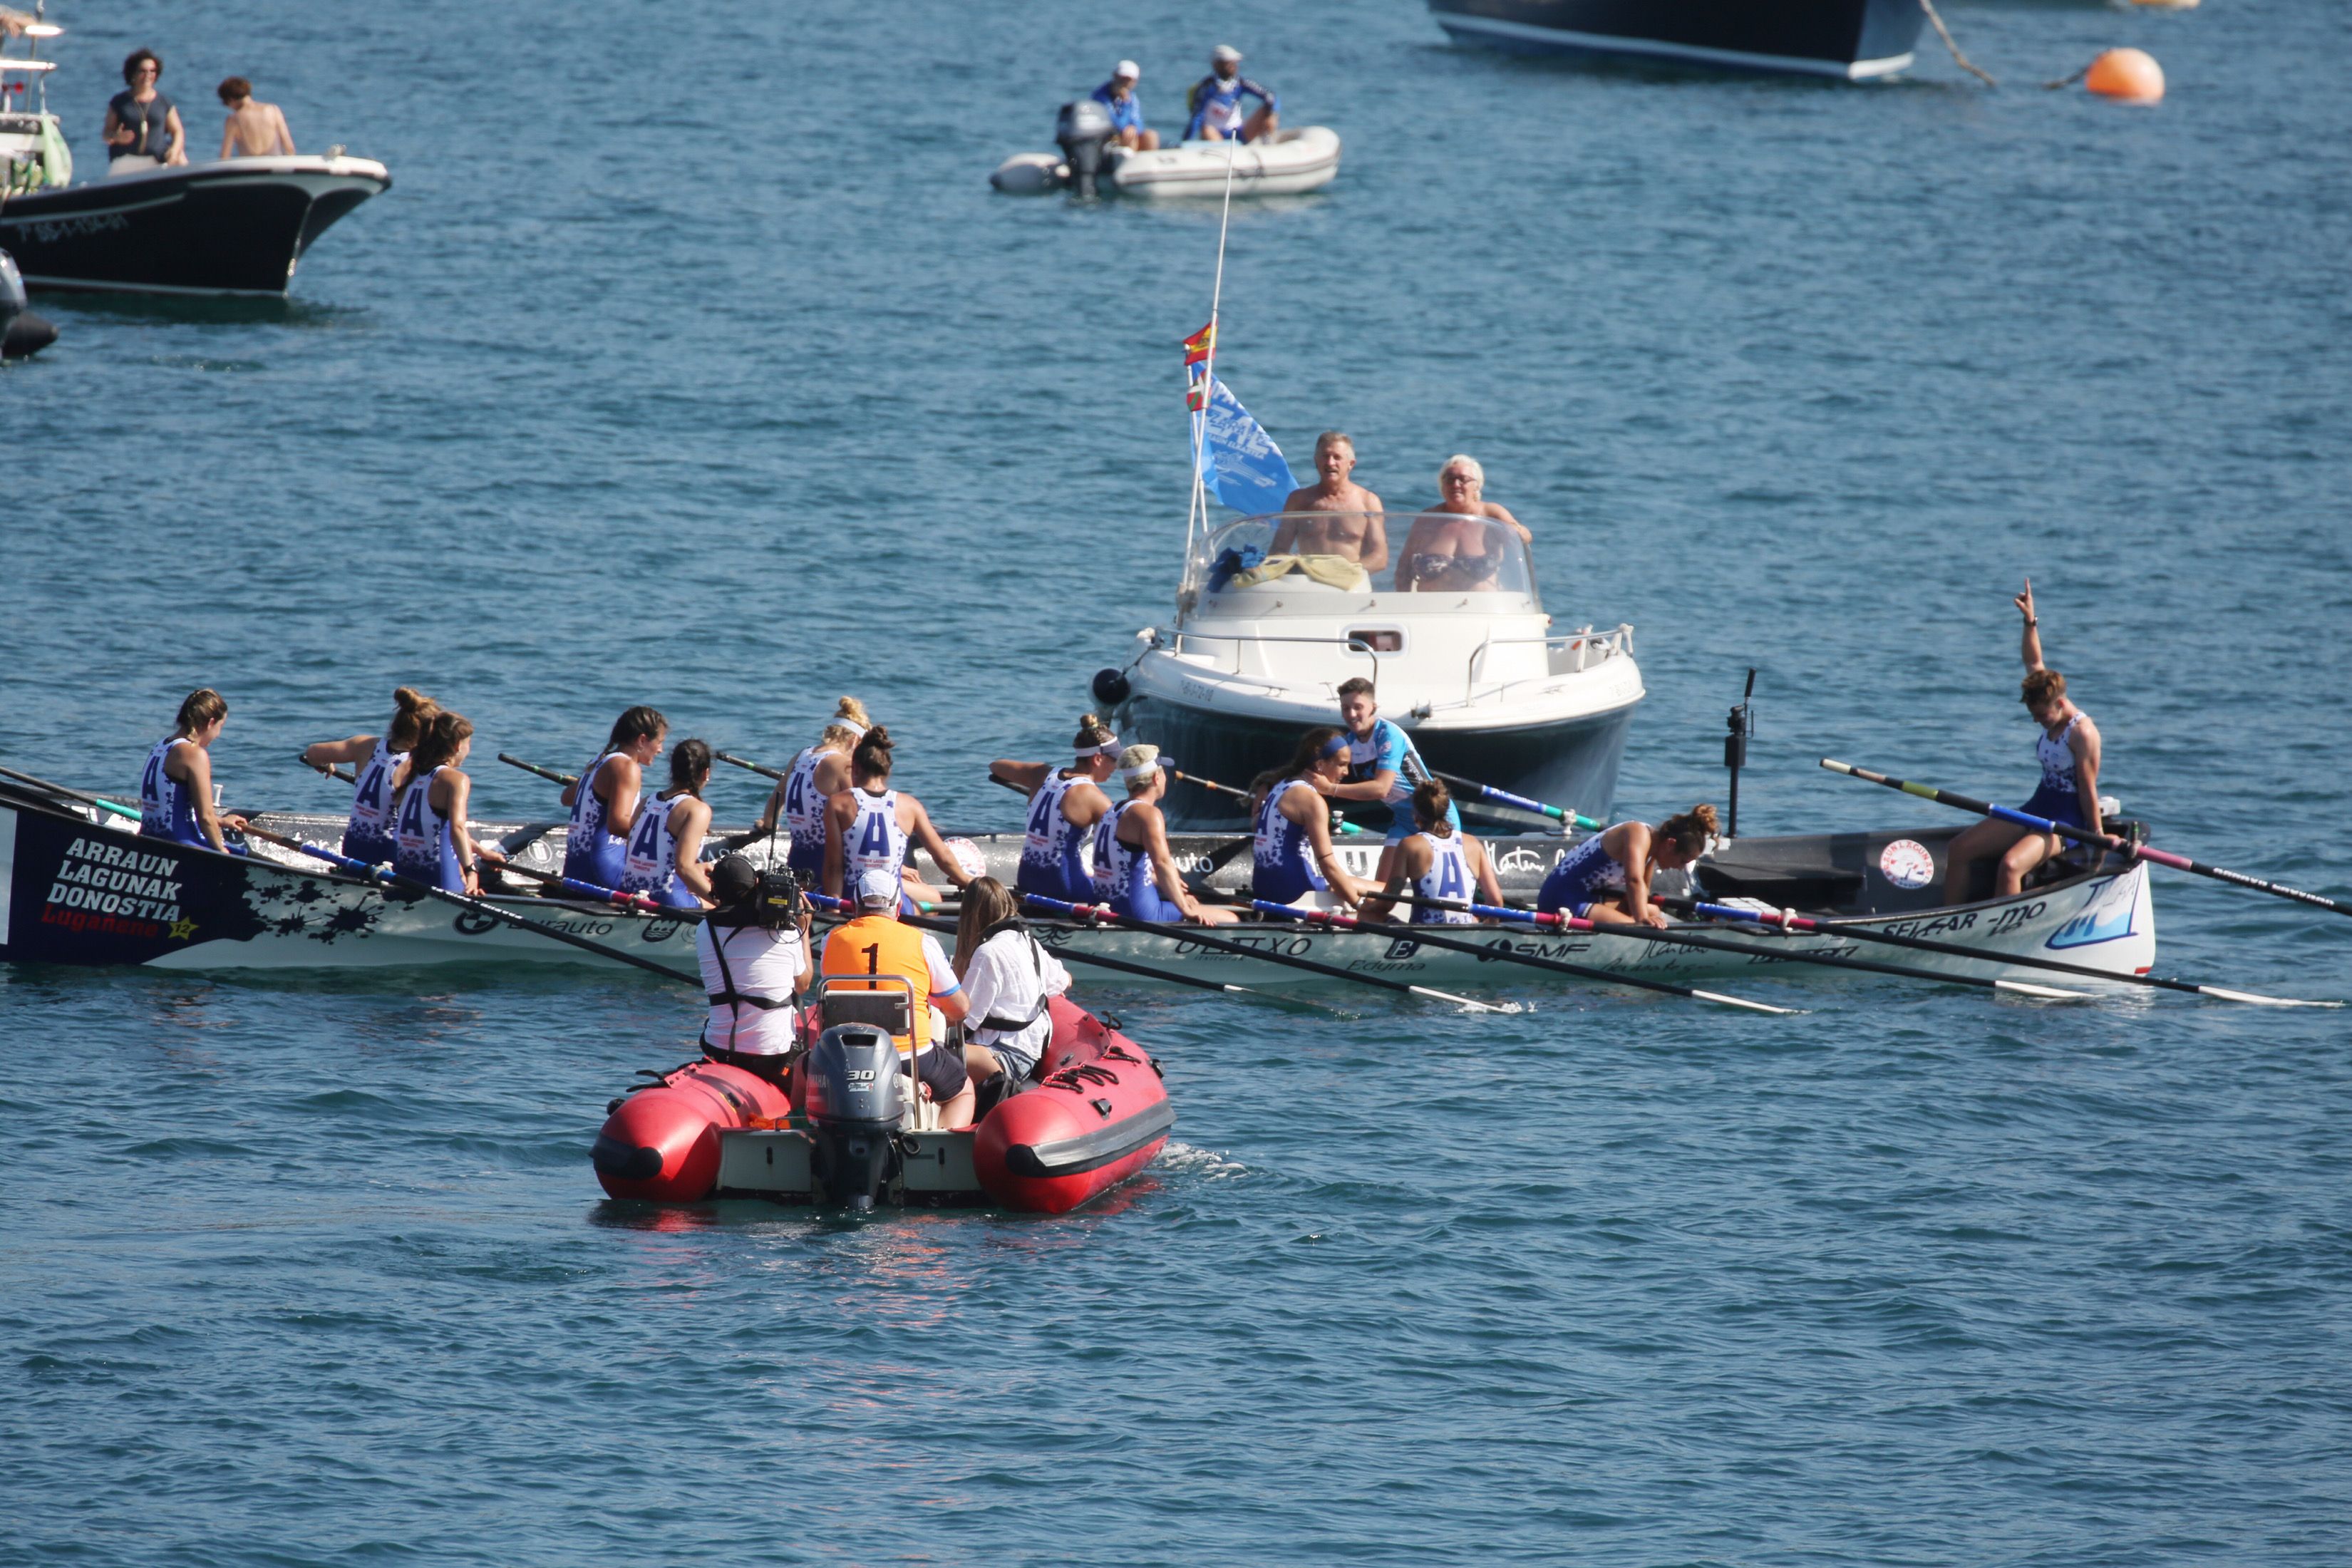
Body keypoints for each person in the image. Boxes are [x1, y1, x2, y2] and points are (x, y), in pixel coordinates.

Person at [1943, 580, 2108, 901]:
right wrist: (2030, 621)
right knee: (1959, 848)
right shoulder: (2048, 696)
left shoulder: (2083, 733)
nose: (2037, 721)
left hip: (2066, 823)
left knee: (2011, 865)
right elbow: (2034, 663)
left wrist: (2097, 837)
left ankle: (2002, 929)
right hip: (2036, 807)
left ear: (2060, 704)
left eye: (2041, 716)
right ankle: (1946, 921)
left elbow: (2088, 791)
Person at [821, 867, 975, 1129]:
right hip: (909, 1057)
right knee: (963, 1091)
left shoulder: (829, 940)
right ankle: (939, 1144)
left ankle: (803, 1130)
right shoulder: (921, 942)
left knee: (804, 1068)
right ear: (899, 905)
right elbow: (959, 1009)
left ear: (855, 904)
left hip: (844, 1053)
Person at [1315, 676, 1457, 884]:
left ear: (1373, 707)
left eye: (1358, 707)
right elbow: (1317, 766)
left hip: (1436, 816)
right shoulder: (1349, 742)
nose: (1351, 715)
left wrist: (1330, 789)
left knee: (1440, 887)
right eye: (1345, 708)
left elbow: (1381, 789)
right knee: (1382, 886)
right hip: (1403, 819)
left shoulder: (1388, 734)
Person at [823, 726, 976, 910]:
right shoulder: (910, 805)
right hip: (895, 906)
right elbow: (941, 855)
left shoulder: (838, 803)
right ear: (888, 771)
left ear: (854, 768)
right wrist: (967, 880)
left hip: (854, 902)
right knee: (930, 907)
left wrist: (835, 910)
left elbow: (834, 867)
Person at [696, 853, 815, 1083]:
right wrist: (804, 929)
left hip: (718, 1048)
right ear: (756, 886)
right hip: (772, 1055)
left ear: (715, 891)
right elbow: (803, 985)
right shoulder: (785, 932)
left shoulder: (705, 928)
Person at [1091, 745, 1239, 924]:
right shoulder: (1149, 814)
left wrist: (1175, 889)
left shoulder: (1111, 810)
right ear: (1156, 778)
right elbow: (1162, 863)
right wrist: (1185, 908)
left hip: (1103, 904)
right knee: (1231, 919)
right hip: (1138, 912)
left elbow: (1125, 867)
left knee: (1186, 901)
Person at [952, 876, 1073, 1095]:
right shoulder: (1028, 942)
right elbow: (1064, 980)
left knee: (922, 1054)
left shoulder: (987, 953)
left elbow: (965, 1019)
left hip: (1003, 1054)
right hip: (1031, 1053)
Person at [301, 686, 440, 864]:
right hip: (393, 855)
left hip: (354, 847)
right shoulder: (421, 765)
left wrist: (325, 763)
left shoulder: (364, 746)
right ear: (428, 735)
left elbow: (312, 754)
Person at [992, 713, 1120, 903]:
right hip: (1065, 887)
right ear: (1098, 759)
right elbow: (1123, 844)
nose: (1116, 767)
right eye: (1114, 759)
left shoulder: (1041, 773)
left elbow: (995, 766)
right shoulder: (1095, 798)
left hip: (1027, 881)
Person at [744, 696, 871, 876]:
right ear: (854, 740)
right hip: (831, 870)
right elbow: (865, 821)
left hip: (796, 864)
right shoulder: (843, 766)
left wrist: (768, 826)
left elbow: (775, 801)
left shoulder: (801, 756)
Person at [1536, 805, 1718, 928]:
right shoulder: (1637, 833)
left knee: (1653, 910)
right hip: (1562, 899)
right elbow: (1634, 881)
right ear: (1670, 844)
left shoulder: (1653, 850)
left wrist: (1646, 915)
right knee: (1639, 923)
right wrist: (1642, 922)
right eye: (1683, 861)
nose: (1680, 868)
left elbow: (1643, 896)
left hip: (1587, 896)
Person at [1254, 728, 1370, 908]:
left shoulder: (1278, 784)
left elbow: (1258, 827)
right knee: (1382, 890)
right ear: (1320, 764)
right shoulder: (1313, 801)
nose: (1346, 772)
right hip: (1297, 891)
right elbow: (1329, 867)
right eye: (1342, 764)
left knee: (1352, 882)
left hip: (1262, 888)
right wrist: (1359, 904)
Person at [392, 712, 505, 894]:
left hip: (404, 873)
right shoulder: (455, 779)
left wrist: (482, 852)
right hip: (440, 877)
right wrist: (471, 871)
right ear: (457, 746)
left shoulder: (408, 773)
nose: (469, 750)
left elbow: (433, 828)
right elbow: (457, 829)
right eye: (469, 744)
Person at [1361, 779, 1504, 924]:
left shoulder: (1410, 845)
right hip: (1465, 932)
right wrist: (1488, 926)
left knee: (1369, 915)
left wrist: (1365, 905)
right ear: (1445, 809)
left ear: (1415, 813)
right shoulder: (1473, 843)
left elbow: (1387, 904)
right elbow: (1496, 900)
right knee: (1473, 919)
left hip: (1424, 934)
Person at [561, 706, 666, 887]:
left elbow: (568, 798)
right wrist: (666, 837)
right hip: (604, 871)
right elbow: (617, 824)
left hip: (574, 869)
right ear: (642, 740)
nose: (661, 750)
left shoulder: (598, 761)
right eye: (660, 742)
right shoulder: (627, 767)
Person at [1395, 455, 1532, 592]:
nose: (1456, 485)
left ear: (1477, 485)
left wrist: (1514, 531)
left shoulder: (1491, 514)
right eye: (1450, 479)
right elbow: (1404, 568)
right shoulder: (1428, 518)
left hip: (1480, 608)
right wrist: (1404, 602)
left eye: (1463, 479)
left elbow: (1525, 536)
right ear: (1442, 485)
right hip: (1432, 608)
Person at [139, 687, 248, 852]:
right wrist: (222, 852)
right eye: (220, 726)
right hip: (182, 845)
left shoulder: (161, 746)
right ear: (211, 723)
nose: (218, 734)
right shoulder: (194, 754)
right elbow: (205, 817)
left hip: (149, 839)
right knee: (252, 856)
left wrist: (220, 821)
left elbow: (170, 808)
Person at [1269, 433, 1388, 572]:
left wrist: (1345, 572)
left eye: (1337, 457)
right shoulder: (1299, 500)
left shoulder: (1367, 502)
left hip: (1351, 584)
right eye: (1325, 456)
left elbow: (1380, 558)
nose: (1330, 462)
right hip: (1309, 581)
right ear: (1316, 461)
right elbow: (1278, 550)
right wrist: (1295, 566)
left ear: (1351, 464)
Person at [620, 739, 716, 909]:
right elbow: (684, 868)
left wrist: (698, 870)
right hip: (665, 899)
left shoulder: (646, 802)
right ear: (706, 773)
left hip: (628, 893)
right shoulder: (697, 810)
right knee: (716, 905)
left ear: (673, 770)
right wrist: (724, 901)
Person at [104, 49, 186, 169]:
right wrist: (116, 137)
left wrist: (174, 150)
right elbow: (106, 133)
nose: (148, 75)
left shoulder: (163, 102)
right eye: (143, 71)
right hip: (126, 161)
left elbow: (177, 131)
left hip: (157, 160)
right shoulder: (120, 102)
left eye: (152, 71)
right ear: (133, 74)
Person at [1186, 44, 1277, 143]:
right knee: (1206, 128)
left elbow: (1270, 96)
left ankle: (1267, 143)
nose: (1233, 67)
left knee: (1270, 109)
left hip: (1238, 132)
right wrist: (1186, 141)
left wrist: (1270, 114)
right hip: (1215, 133)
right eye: (1228, 64)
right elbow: (1197, 117)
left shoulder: (1241, 83)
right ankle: (1219, 150)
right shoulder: (1206, 87)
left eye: (1234, 64)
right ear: (1217, 65)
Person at [216, 77, 295, 159]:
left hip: (250, 168)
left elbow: (225, 156)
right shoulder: (273, 110)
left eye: (225, 103)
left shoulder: (234, 119)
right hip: (275, 166)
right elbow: (289, 148)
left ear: (230, 100)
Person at [1092, 60, 1160, 152]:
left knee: (1151, 136)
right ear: (1115, 76)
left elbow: (1138, 123)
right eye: (1121, 78)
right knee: (1129, 137)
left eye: (1128, 80)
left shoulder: (1132, 97)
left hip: (1126, 135)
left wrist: (1133, 128)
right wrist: (1125, 104)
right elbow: (1116, 125)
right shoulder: (1101, 97)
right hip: (1108, 139)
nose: (1123, 82)